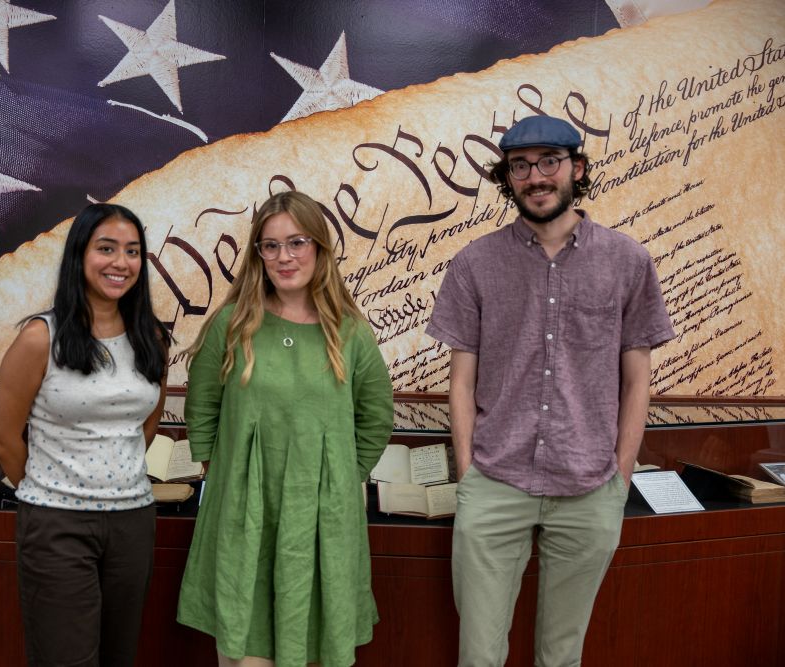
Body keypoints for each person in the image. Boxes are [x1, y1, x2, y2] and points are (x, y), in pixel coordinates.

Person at [426, 115, 675, 667]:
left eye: (548, 162)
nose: (535, 176)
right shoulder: (474, 264)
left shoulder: (628, 261)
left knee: (562, 656)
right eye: (520, 165)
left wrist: (621, 475)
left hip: (590, 487)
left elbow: (637, 379)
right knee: (479, 655)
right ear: (508, 177)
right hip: (495, 483)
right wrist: (468, 474)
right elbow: (460, 380)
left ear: (576, 168)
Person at [176, 191, 394, 667]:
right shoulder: (232, 325)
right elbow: (203, 410)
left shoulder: (350, 332)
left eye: (296, 242)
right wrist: (231, 475)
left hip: (321, 519)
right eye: (270, 246)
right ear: (257, 255)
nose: (284, 257)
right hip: (243, 512)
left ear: (319, 247)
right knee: (245, 648)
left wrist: (337, 476)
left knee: (315, 643)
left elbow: (377, 416)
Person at [0, 203, 170, 667]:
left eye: (132, 251)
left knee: (118, 656)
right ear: (79, 256)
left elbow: (143, 425)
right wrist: (56, 486)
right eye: (106, 248)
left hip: (132, 521)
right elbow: (4, 438)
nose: (120, 263)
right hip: (56, 523)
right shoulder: (38, 337)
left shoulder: (150, 336)